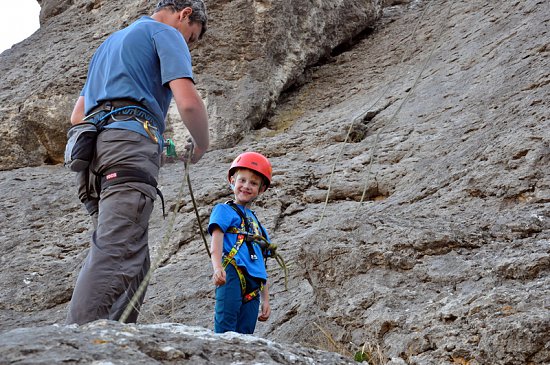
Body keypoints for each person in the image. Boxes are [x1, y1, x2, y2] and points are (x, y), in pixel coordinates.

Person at [66, 0, 210, 325]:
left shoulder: (108, 45)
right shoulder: (165, 33)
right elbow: (188, 104)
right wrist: (201, 145)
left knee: (135, 259)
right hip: (128, 149)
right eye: (191, 37)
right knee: (116, 251)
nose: (187, 43)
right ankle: (77, 345)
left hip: (93, 154)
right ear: (185, 13)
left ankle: (119, 341)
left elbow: (78, 116)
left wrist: (166, 150)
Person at [208, 152, 273, 334]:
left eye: (253, 183)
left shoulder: (258, 225)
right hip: (232, 271)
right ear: (232, 181)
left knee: (246, 333)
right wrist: (217, 267)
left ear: (261, 190)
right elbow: (217, 238)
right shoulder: (223, 210)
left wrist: (266, 299)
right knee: (225, 326)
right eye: (242, 180)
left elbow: (262, 263)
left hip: (255, 284)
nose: (246, 186)